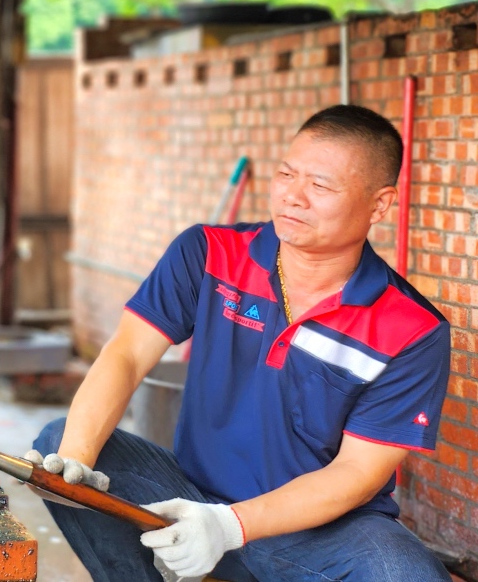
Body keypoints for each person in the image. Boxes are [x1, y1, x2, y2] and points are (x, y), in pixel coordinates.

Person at [28, 105, 452, 581]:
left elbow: (358, 472)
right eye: (286, 174)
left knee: (405, 571)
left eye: (320, 186)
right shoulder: (209, 253)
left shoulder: (412, 329)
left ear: (379, 205)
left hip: (320, 531)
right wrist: (76, 463)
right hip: (190, 497)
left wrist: (230, 525)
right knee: (62, 445)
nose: (293, 196)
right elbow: (126, 354)